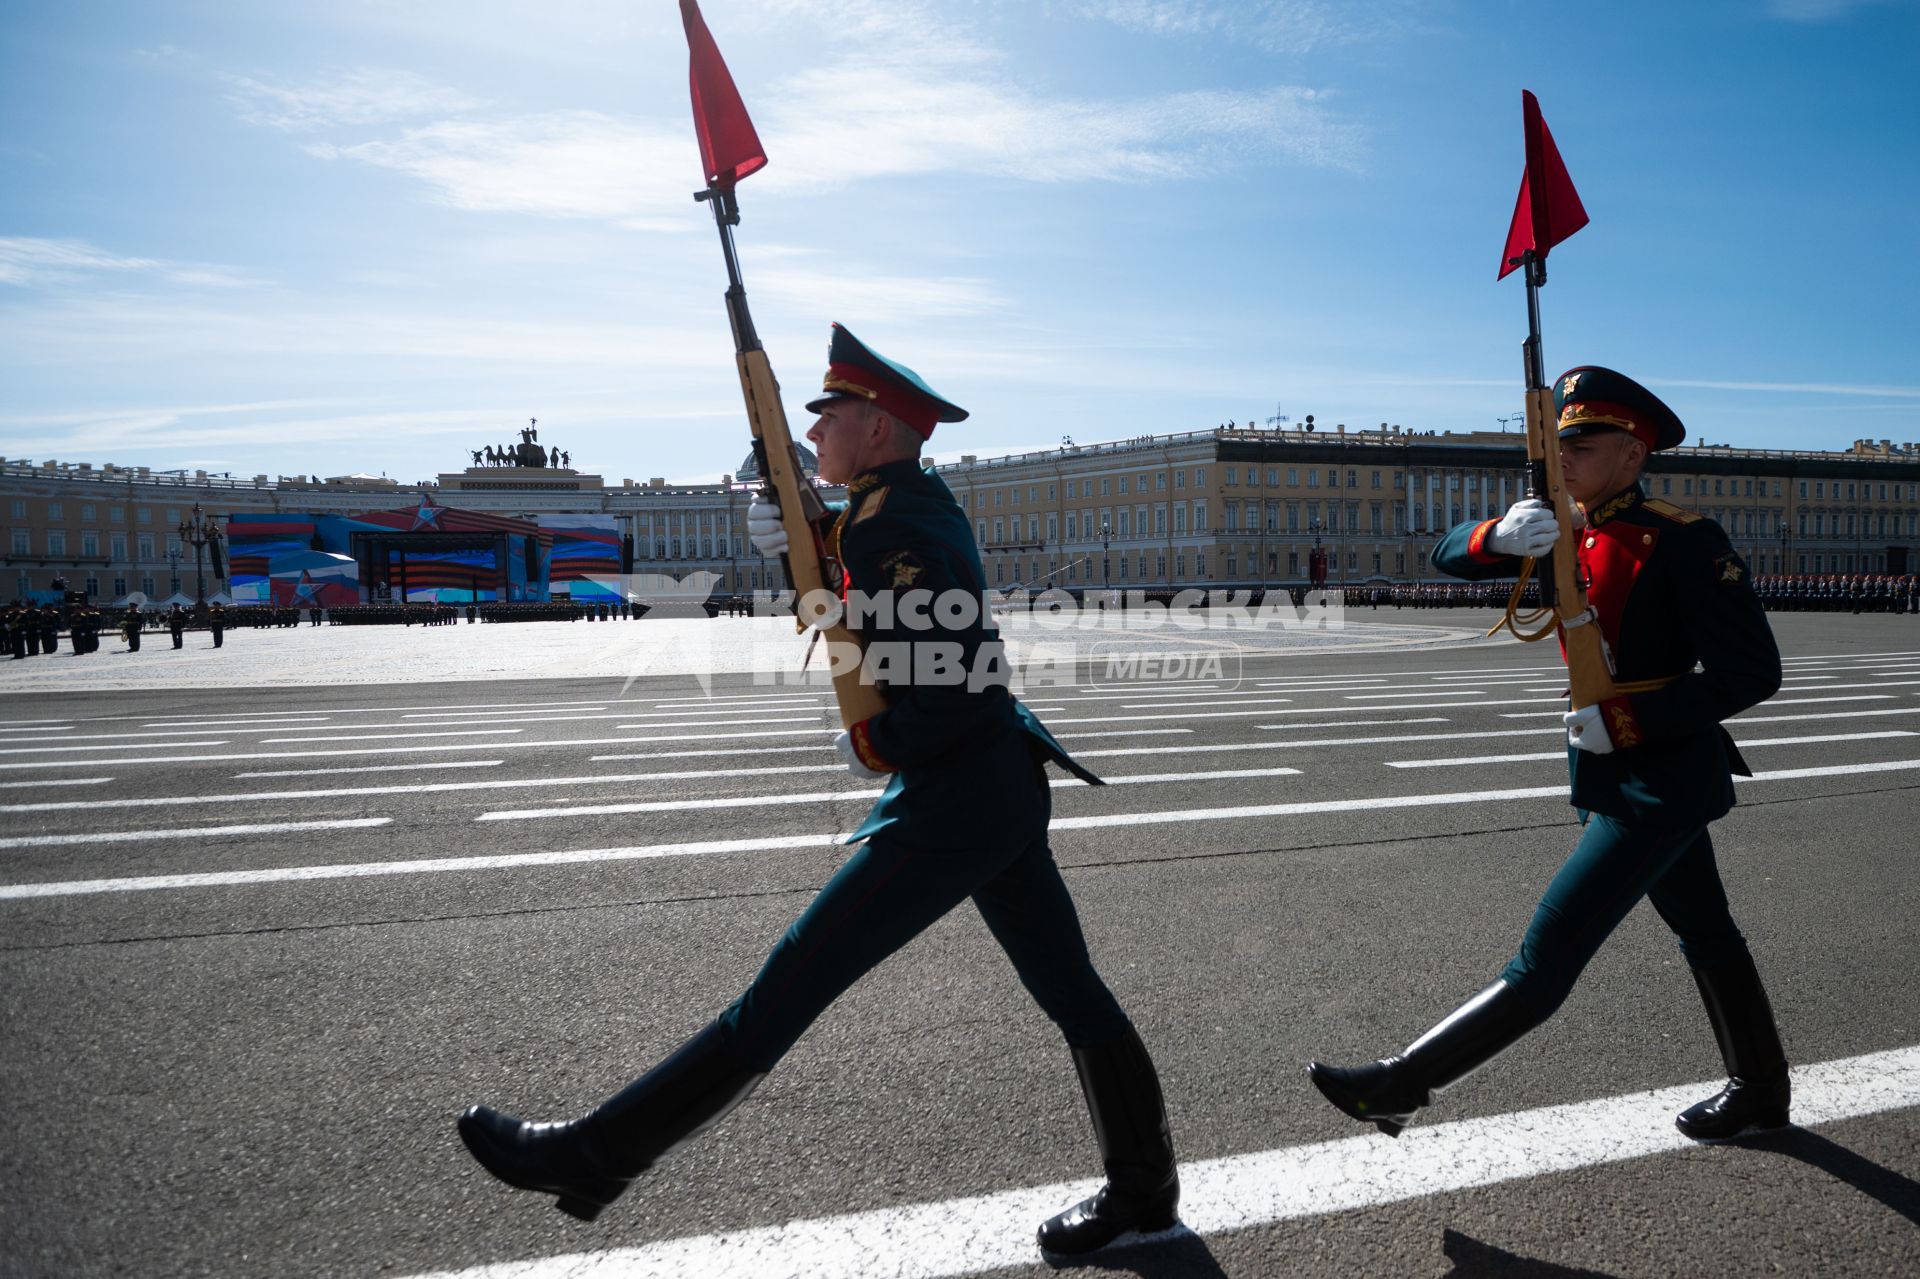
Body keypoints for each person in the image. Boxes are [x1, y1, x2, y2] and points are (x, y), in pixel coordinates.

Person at [457, 325, 1179, 1256]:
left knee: (786, 987)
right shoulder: (897, 502)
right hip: (993, 785)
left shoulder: (892, 520)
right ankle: (1146, 1190)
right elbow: (864, 570)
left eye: (831, 414)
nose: (818, 429)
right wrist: (808, 526)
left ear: (877, 427)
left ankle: (597, 1153)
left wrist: (878, 737)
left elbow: (950, 678)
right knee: (1073, 992)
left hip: (957, 794)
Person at [1307, 366, 1790, 1143]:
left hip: (1657, 780)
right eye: (1558, 444)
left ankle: (1400, 1084)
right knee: (1707, 932)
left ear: (1633, 454)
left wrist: (1627, 722)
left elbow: (1752, 672)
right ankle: (1761, 1088)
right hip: (1624, 773)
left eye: (1583, 446)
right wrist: (1495, 536)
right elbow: (1443, 556)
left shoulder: (1683, 539)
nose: (1563, 459)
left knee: (1546, 957)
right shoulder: (1567, 524)